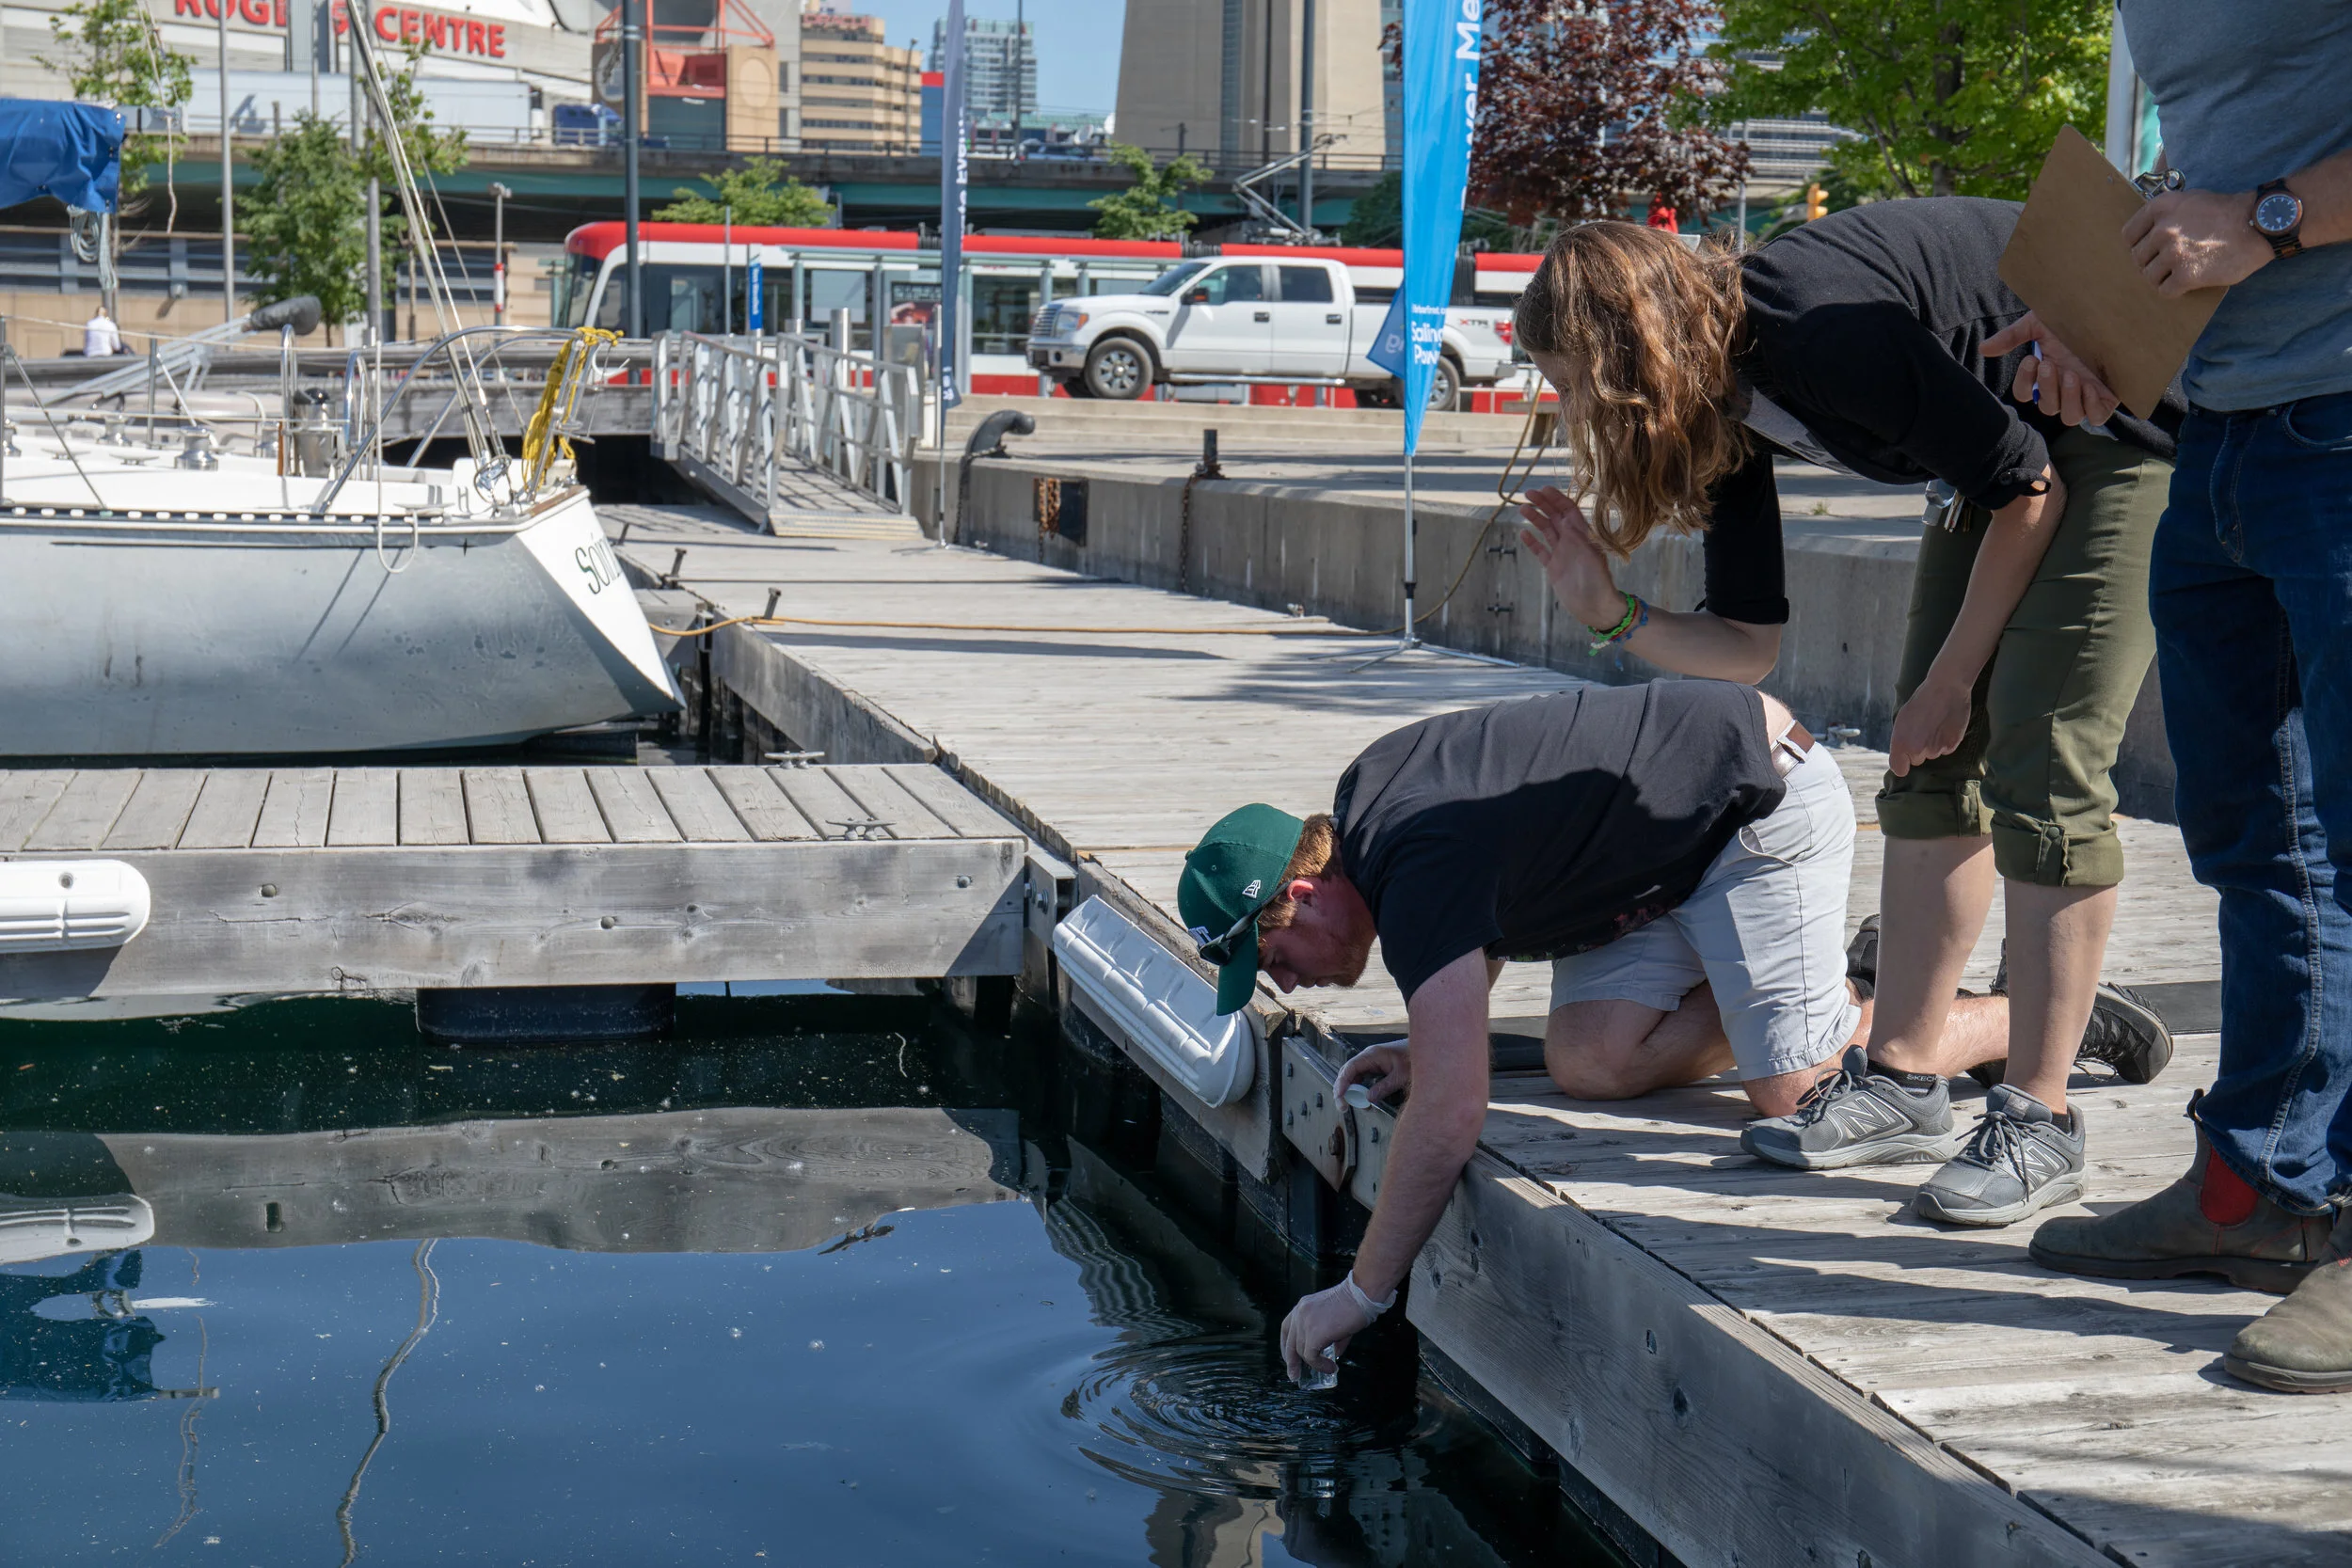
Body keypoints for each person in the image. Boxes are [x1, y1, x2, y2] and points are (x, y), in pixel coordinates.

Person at [1509, 204, 2174, 1227]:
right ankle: (1903, 1078)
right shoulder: (1723, 393)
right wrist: (1612, 614)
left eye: (1569, 381)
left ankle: (2040, 1113)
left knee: (2045, 768)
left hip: (2111, 421)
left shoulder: (1812, 326)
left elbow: (2030, 492)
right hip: (2007, 455)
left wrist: (1951, 677)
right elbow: (1745, 644)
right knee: (1926, 774)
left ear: (1627, 353)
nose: (1566, 407)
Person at [1174, 680, 1982, 1384]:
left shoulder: (1407, 864)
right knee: (1590, 1058)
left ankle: (1997, 1015)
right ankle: (1803, 983)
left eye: (1272, 957)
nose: (1283, 983)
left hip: (1755, 803)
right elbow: (1472, 913)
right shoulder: (1373, 813)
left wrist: (1359, 1292)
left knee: (1794, 1091)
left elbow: (1453, 1115)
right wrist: (1429, 1047)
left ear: (1307, 893)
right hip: (1662, 855)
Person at [2005, 2, 2352, 1393]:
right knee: (2253, 836)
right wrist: (2102, 303)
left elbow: (2253, 190)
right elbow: (2211, 153)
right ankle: (2257, 1189)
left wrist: (2265, 219)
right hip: (2220, 433)